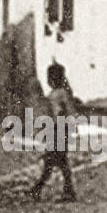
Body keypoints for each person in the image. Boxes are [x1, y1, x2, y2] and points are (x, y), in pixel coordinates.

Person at [30, 62, 79, 203]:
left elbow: (60, 113)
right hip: (60, 129)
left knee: (55, 161)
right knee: (55, 161)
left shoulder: (57, 95)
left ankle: (40, 188)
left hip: (58, 129)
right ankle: (39, 188)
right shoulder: (63, 93)